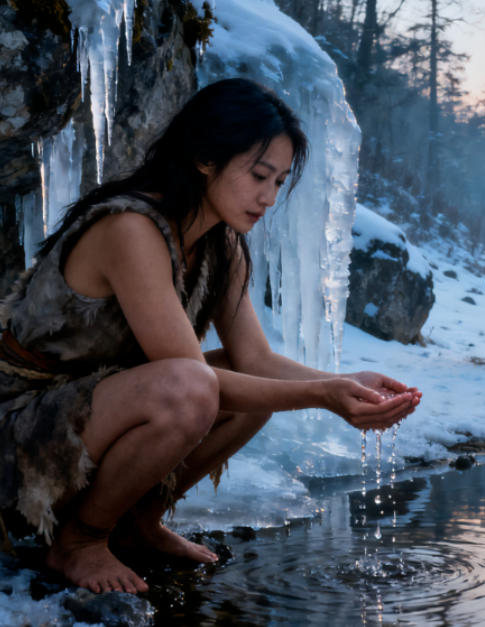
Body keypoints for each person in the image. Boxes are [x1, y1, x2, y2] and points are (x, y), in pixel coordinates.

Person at [0, 78, 421, 595]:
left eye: (279, 182)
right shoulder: (130, 228)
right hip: (22, 430)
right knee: (193, 386)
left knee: (233, 384)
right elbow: (191, 377)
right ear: (205, 158)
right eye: (259, 176)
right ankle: (80, 540)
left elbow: (255, 361)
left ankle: (137, 523)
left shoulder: (223, 247)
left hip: (91, 412)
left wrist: (346, 382)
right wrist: (322, 396)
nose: (268, 198)